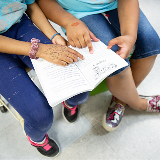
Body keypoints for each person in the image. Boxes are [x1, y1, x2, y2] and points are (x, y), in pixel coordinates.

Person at [36, 0, 160, 132]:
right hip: (77, 12)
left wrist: (130, 35)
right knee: (113, 63)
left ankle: (121, 100)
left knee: (151, 44)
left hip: (119, 3)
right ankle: (137, 103)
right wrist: (68, 22)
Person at [0, 0, 90, 157]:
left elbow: (31, 4)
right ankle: (37, 139)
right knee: (40, 117)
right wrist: (39, 49)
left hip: (19, 23)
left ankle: (69, 102)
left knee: (79, 91)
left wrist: (53, 35)